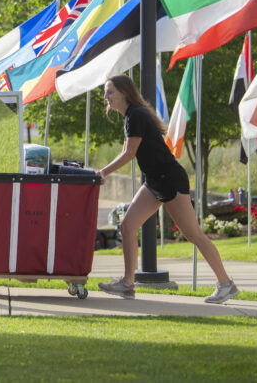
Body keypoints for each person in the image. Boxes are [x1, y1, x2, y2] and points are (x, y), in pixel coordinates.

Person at [97, 74, 239, 304]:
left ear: (124, 92)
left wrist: (103, 172)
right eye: (106, 92)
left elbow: (129, 153)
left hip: (169, 179)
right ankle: (127, 284)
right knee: (127, 225)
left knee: (193, 234)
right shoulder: (131, 116)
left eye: (110, 91)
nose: (106, 97)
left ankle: (226, 284)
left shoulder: (136, 115)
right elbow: (128, 150)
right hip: (154, 181)